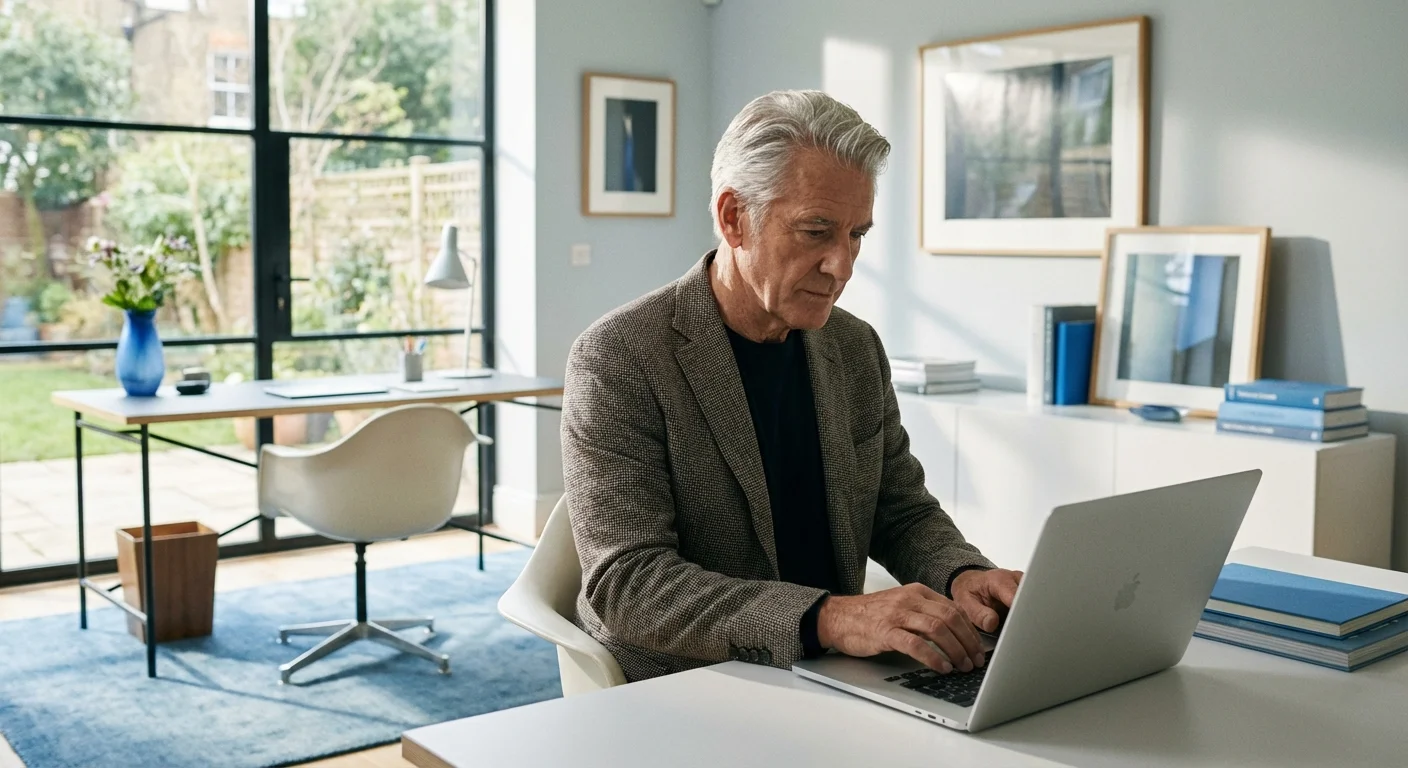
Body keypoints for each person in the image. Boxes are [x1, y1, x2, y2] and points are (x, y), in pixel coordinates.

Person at [562, 89, 1022, 683]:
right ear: (734, 218)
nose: (843, 265)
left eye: (857, 234)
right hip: (690, 684)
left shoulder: (855, 348)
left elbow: (899, 510)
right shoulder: (619, 357)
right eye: (815, 232)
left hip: (836, 674)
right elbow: (629, 586)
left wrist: (963, 575)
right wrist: (830, 618)